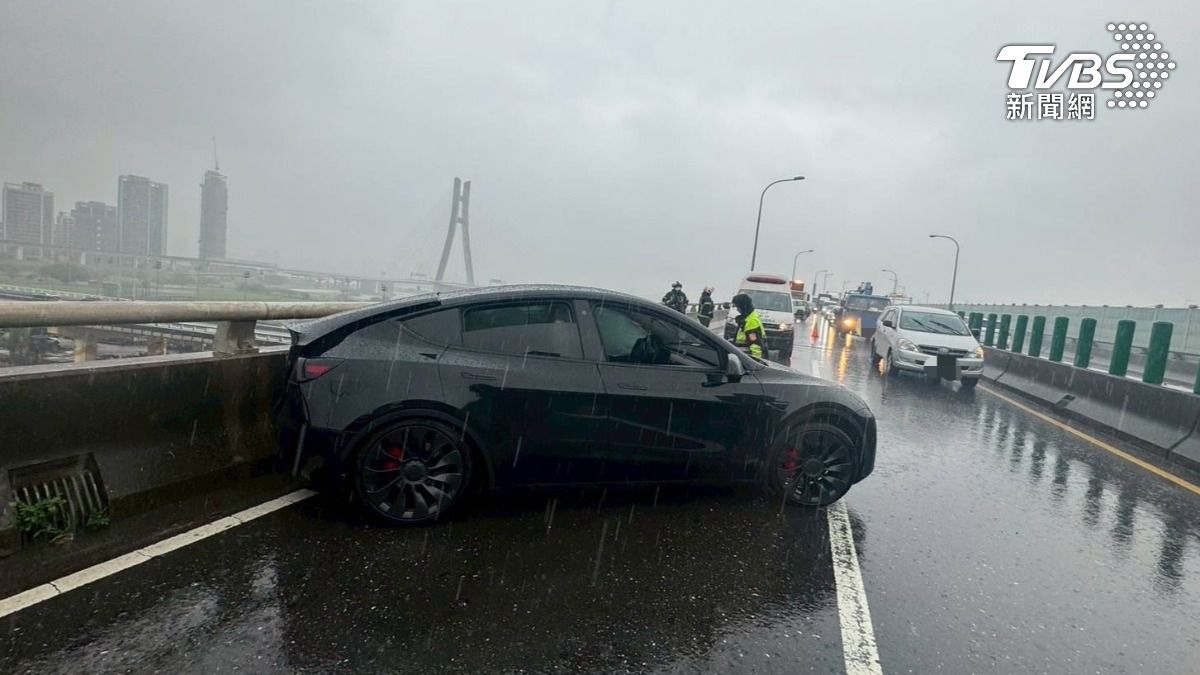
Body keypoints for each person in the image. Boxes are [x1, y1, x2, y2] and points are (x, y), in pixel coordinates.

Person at [731, 292, 765, 360]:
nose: (737, 309)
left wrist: (756, 362)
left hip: (748, 359)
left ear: (743, 307)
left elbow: (755, 345)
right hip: (744, 357)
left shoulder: (751, 321)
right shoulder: (746, 318)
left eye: (738, 307)